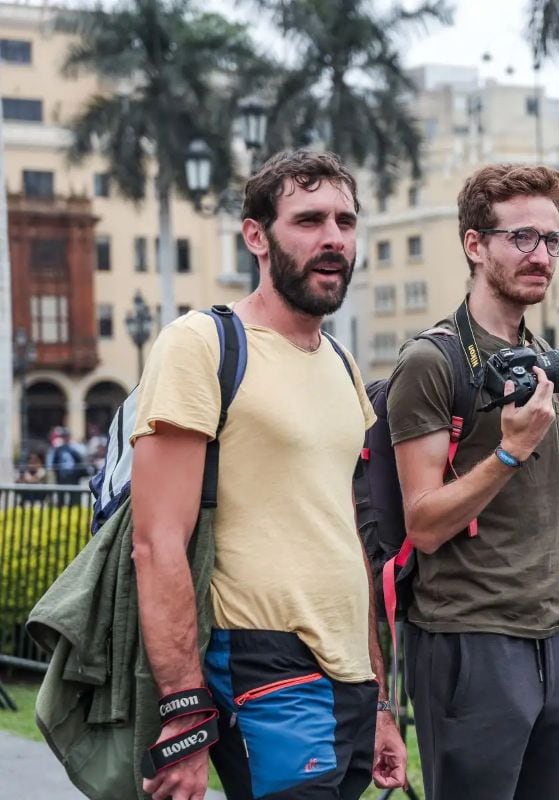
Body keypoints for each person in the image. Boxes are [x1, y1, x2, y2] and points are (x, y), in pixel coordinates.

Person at [130, 150, 407, 800]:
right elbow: (157, 541)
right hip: (262, 658)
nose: (334, 237)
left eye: (346, 220)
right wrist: (184, 716)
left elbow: (341, 536)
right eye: (309, 219)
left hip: (348, 675)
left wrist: (381, 704)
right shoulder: (201, 343)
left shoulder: (340, 362)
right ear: (256, 235)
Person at [387, 163, 559, 800]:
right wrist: (508, 452)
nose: (542, 256)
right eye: (522, 238)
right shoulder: (431, 362)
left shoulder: (541, 359)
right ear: (475, 245)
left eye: (551, 241)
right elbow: (420, 524)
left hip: (551, 635)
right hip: (467, 637)